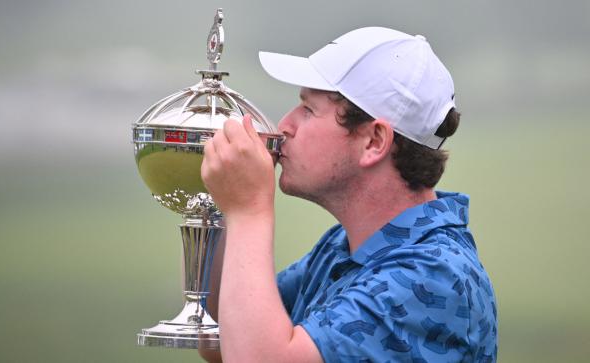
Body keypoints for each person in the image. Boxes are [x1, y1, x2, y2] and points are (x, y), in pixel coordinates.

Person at [200, 27, 497, 362]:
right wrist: (218, 203)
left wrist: (249, 209)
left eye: (309, 110)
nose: (285, 125)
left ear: (374, 141)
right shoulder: (343, 247)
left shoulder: (432, 276)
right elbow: (223, 340)